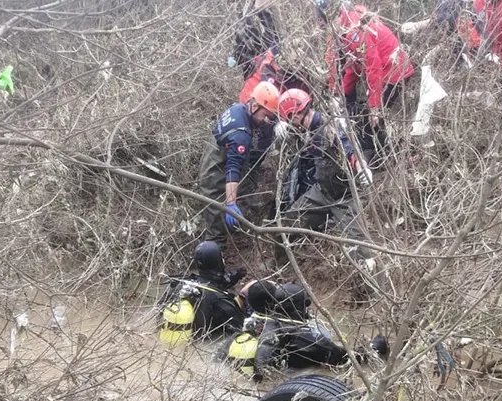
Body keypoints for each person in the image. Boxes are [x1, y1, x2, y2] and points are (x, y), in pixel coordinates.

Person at [273, 88, 376, 270]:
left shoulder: (329, 127)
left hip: (344, 197)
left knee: (362, 249)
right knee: (286, 225)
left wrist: (362, 168)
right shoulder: (305, 129)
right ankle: (280, 269)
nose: (293, 125)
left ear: (298, 115)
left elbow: (348, 149)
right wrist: (279, 125)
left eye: (291, 120)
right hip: (320, 192)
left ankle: (372, 287)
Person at [315, 2, 415, 169]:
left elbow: (372, 67)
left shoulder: (355, 31)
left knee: (372, 117)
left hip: (393, 72)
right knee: (365, 113)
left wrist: (375, 107)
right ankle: (381, 154)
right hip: (388, 69)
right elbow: (355, 67)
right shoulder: (349, 24)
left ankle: (385, 158)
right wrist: (340, 95)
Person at [219, 279, 387, 376]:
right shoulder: (307, 339)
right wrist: (376, 347)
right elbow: (347, 360)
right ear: (300, 309)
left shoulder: (257, 325)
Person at [195, 80, 282, 248]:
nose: (266, 121)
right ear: (255, 105)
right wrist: (231, 204)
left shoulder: (238, 108)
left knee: (240, 192)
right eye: (266, 116)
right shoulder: (241, 134)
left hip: (215, 157)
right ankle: (212, 266)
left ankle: (239, 224)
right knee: (216, 230)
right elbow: (232, 169)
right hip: (215, 177)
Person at [159, 241, 247, 345]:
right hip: (203, 347)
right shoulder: (220, 300)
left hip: (170, 342)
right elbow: (243, 328)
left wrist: (235, 276)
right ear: (218, 262)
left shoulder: (177, 285)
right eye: (221, 257)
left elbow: (159, 315)